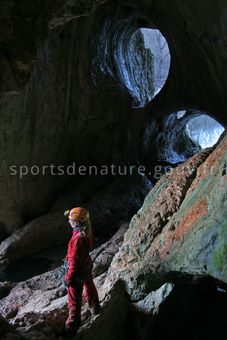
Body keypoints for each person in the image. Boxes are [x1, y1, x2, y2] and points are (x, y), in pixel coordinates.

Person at [64, 207, 100, 335]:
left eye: (70, 219)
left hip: (78, 271)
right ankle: (95, 307)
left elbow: (74, 263)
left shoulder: (77, 239)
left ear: (75, 223)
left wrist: (69, 277)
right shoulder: (87, 231)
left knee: (74, 298)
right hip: (86, 265)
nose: (68, 221)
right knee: (89, 286)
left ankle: (72, 326)